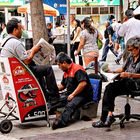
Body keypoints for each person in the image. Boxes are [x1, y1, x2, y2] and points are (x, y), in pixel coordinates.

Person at [0, 18, 59, 102]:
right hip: (19, 72)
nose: (22, 31)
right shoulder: (16, 43)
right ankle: (54, 97)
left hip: (11, 71)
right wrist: (34, 51)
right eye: (20, 29)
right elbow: (26, 61)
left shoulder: (5, 40)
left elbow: (18, 55)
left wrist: (29, 51)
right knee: (47, 69)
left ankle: (44, 95)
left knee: (39, 69)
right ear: (15, 30)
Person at [92, 37, 140, 128]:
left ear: (138, 48)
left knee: (112, 87)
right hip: (126, 82)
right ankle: (108, 116)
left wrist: (130, 75)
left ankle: (106, 118)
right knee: (109, 88)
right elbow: (122, 69)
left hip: (136, 84)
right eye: (129, 50)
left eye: (133, 50)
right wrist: (112, 72)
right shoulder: (130, 56)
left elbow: (130, 74)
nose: (131, 52)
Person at [51, 52, 93, 130]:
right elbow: (62, 85)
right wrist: (53, 88)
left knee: (70, 105)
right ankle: (58, 114)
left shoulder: (77, 69)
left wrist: (73, 95)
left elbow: (83, 83)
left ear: (64, 63)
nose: (59, 67)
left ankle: (61, 122)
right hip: (72, 94)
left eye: (59, 65)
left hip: (83, 95)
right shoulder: (66, 72)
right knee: (55, 101)